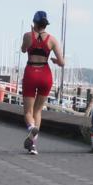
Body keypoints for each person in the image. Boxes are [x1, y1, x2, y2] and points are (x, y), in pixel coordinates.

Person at [20, 10, 64, 155]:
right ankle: (33, 145)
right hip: (45, 74)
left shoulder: (27, 36)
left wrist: (31, 35)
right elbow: (62, 62)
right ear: (46, 24)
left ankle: (31, 128)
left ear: (34, 22)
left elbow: (23, 49)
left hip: (31, 72)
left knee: (28, 112)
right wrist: (55, 61)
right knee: (38, 110)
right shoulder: (52, 40)